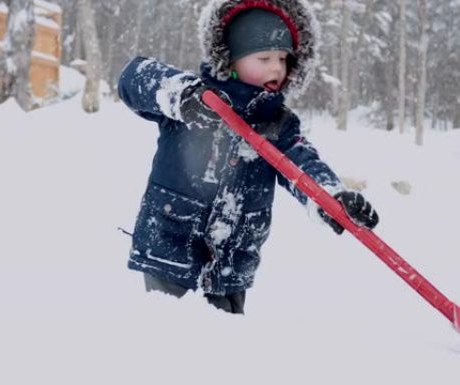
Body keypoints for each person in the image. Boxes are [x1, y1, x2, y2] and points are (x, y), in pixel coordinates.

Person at [118, 0, 379, 314]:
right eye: (264, 58)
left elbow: (304, 165)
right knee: (170, 335)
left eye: (283, 58)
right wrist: (184, 95)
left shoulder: (278, 124)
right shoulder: (197, 102)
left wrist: (333, 199)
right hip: (170, 250)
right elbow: (134, 78)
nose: (276, 68)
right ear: (231, 60)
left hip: (231, 265)